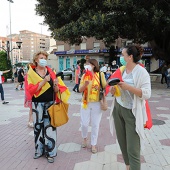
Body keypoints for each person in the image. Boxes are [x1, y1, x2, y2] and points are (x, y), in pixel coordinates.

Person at [109, 45, 151, 170]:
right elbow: (117, 89)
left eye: (123, 55)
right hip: (118, 109)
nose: (121, 57)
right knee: (122, 142)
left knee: (132, 148)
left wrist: (128, 87)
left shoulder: (141, 72)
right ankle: (128, 167)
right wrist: (113, 90)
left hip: (132, 112)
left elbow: (147, 94)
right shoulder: (121, 70)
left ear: (130, 57)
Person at [26, 51, 70, 163]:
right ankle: (39, 151)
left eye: (45, 57)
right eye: (41, 58)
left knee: (50, 128)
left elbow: (56, 90)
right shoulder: (31, 73)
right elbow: (31, 90)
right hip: (37, 104)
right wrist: (43, 81)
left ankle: (50, 152)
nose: (43, 59)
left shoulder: (51, 72)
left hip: (50, 103)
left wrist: (55, 85)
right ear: (36, 60)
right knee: (38, 128)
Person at [79, 59, 106, 154]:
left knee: (95, 125)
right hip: (85, 102)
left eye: (89, 64)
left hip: (97, 103)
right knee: (84, 124)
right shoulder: (84, 76)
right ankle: (85, 138)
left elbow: (105, 86)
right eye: (87, 64)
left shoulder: (100, 75)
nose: (87, 65)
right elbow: (79, 90)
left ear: (93, 65)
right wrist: (85, 84)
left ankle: (93, 144)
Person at [24, 63, 33, 128]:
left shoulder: (28, 74)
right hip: (30, 94)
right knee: (32, 109)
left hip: (28, 94)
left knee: (31, 109)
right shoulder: (30, 75)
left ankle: (30, 121)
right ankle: (30, 122)